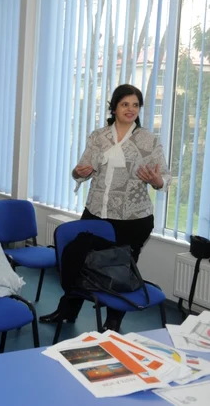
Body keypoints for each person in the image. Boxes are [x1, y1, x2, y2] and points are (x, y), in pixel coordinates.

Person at [39, 84, 171, 332]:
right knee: (79, 259)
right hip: (96, 212)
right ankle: (67, 310)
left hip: (133, 218)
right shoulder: (98, 137)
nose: (130, 109)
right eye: (125, 104)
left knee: (121, 269)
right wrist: (78, 173)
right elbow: (80, 170)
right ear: (114, 107)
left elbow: (164, 177)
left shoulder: (149, 140)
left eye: (135, 105)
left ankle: (112, 323)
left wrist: (157, 181)